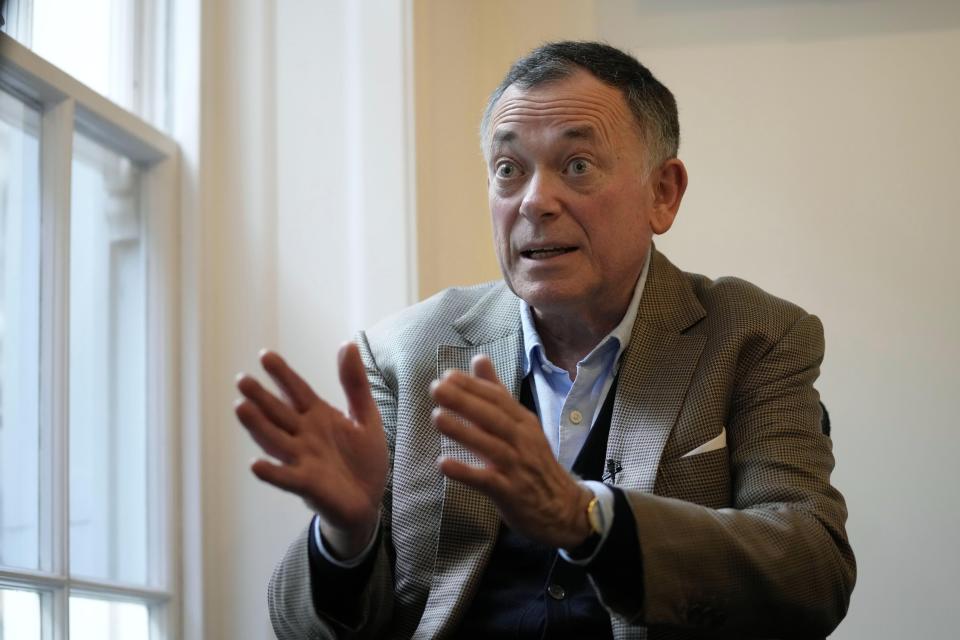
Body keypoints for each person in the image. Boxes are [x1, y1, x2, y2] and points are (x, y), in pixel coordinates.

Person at [235, 41, 855, 639]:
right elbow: (299, 629)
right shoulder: (405, 354)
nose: (535, 201)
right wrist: (347, 534)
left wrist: (587, 519)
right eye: (509, 170)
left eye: (576, 166)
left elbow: (812, 573)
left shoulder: (752, 335)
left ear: (662, 194)